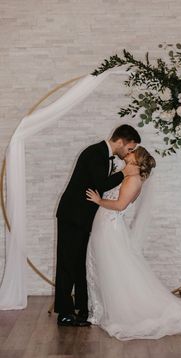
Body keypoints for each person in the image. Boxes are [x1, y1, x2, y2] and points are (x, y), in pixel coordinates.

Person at [86, 146, 181, 342]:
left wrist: (98, 200)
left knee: (114, 269)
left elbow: (120, 205)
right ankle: (102, 309)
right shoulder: (126, 175)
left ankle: (116, 311)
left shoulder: (134, 180)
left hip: (110, 229)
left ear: (136, 159)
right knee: (108, 268)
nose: (128, 151)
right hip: (104, 227)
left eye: (132, 151)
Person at [54, 124, 141, 326]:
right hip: (72, 216)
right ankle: (65, 314)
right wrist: (125, 173)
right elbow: (100, 185)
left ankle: (82, 309)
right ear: (121, 141)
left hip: (84, 218)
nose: (129, 153)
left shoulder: (103, 154)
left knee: (79, 265)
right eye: (129, 148)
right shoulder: (95, 152)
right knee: (67, 264)